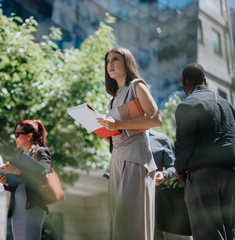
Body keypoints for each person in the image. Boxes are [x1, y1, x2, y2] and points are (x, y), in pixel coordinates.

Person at [97, 47, 162, 240]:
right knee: (118, 223)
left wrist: (117, 124)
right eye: (108, 61)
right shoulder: (113, 100)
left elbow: (155, 119)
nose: (110, 64)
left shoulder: (137, 86)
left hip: (135, 158)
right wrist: (104, 131)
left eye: (115, 60)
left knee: (131, 221)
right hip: (117, 160)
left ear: (127, 62)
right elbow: (118, 131)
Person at [174, 63, 235, 240]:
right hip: (231, 174)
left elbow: (184, 144)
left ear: (184, 82)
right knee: (229, 232)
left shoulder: (187, 104)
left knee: (208, 232)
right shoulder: (228, 105)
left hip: (203, 175)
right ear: (205, 81)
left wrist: (179, 170)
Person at [0, 119, 51, 240]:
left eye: (17, 134)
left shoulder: (41, 152)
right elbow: (19, 183)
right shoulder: (19, 158)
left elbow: (42, 177)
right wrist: (6, 182)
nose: (15, 137)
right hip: (17, 208)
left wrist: (17, 171)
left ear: (29, 136)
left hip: (32, 207)